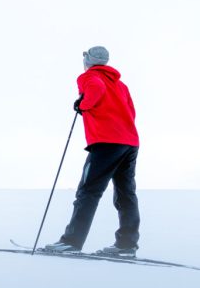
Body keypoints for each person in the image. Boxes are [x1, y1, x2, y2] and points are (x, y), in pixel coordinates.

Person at [45, 46, 141, 257]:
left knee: (88, 192)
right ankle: (126, 245)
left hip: (107, 143)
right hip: (130, 142)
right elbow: (131, 111)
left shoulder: (89, 76)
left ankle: (71, 242)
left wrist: (83, 104)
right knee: (126, 194)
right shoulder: (121, 85)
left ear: (89, 60)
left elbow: (95, 89)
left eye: (85, 58)